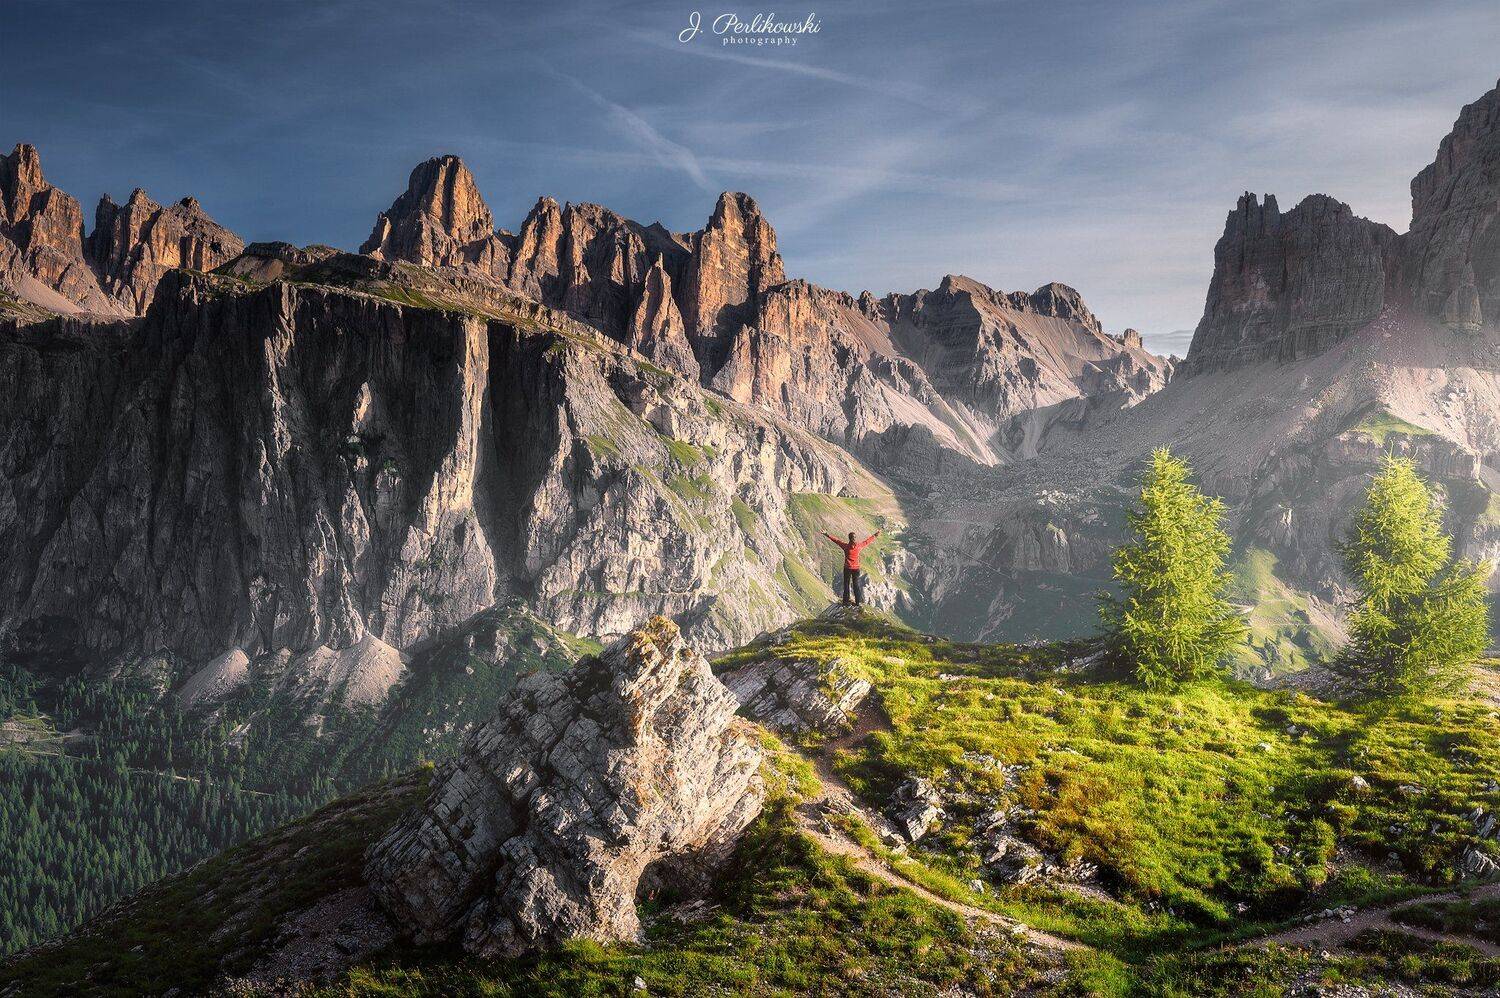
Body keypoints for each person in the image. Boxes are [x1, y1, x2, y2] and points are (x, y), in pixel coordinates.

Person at [822, 530, 880, 605]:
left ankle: (846, 601)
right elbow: (867, 541)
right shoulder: (859, 546)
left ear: (849, 538)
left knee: (846, 584)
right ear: (855, 538)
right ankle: (857, 602)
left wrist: (827, 534)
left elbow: (836, 541)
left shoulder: (845, 546)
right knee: (856, 585)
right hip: (856, 569)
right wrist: (875, 535)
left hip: (847, 568)